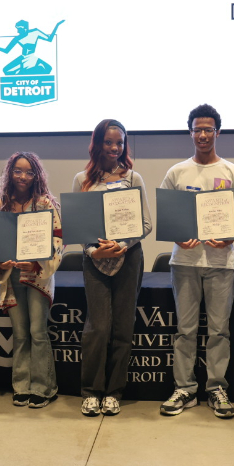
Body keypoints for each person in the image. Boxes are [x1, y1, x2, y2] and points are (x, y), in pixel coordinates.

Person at [159, 104, 234, 419]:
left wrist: (230, 237)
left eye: (208, 129)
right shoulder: (177, 172)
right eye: (197, 129)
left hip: (221, 262)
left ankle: (216, 389)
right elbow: (167, 217)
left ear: (217, 132)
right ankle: (184, 389)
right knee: (185, 330)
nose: (203, 134)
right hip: (184, 261)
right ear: (190, 132)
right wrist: (176, 234)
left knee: (219, 331)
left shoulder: (232, 172)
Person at [72, 119, 153, 417]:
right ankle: (91, 391)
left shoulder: (134, 178)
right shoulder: (82, 179)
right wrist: (93, 250)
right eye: (109, 142)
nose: (115, 147)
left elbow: (145, 223)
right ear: (97, 143)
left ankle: (114, 391)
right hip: (94, 259)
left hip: (128, 257)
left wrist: (123, 244)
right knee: (98, 326)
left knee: (122, 325)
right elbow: (78, 226)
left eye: (119, 142)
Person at [0, 152, 64, 408]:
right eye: (18, 171)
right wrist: (0, 262)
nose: (23, 176)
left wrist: (35, 263)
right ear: (9, 173)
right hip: (11, 278)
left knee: (38, 332)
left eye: (29, 172)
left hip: (37, 277)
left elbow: (57, 243)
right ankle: (21, 386)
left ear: (37, 176)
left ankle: (44, 388)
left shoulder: (46, 204)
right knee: (20, 334)